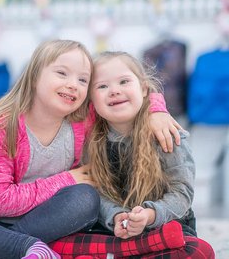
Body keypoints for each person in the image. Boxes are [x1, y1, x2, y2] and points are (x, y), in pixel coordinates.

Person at [0, 41, 180, 259]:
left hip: (46, 220)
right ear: (34, 77)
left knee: (86, 198)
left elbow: (128, 92)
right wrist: (67, 179)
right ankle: (22, 249)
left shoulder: (84, 117)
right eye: (62, 73)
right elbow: (0, 203)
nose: (73, 84)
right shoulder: (0, 126)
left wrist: (156, 109)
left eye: (83, 80)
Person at [50, 51, 214, 258]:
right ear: (91, 100)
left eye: (124, 81)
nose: (114, 91)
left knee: (198, 251)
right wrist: (116, 216)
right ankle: (130, 250)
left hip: (165, 226)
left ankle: (121, 252)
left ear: (144, 89)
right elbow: (97, 193)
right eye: (102, 86)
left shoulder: (166, 133)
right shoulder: (91, 139)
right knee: (59, 241)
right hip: (114, 230)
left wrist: (149, 215)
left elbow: (182, 194)